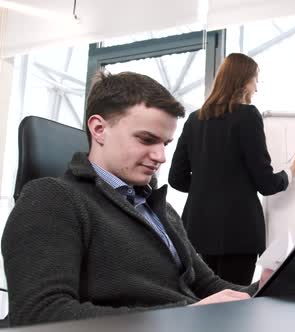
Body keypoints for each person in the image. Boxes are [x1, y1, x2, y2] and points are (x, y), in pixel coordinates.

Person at [1, 71, 268, 327]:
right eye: (146, 139)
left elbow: (208, 286)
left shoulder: (158, 208)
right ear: (98, 129)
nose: (161, 156)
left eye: (165, 143)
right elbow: (39, 315)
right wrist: (183, 317)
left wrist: (266, 286)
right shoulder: (54, 199)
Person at [168, 53, 295, 285]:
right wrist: (293, 170)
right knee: (234, 307)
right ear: (244, 81)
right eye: (256, 80)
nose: (256, 88)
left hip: (197, 231)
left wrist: (208, 186)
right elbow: (266, 184)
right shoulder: (247, 116)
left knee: (203, 306)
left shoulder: (195, 120)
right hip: (238, 232)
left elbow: (176, 179)